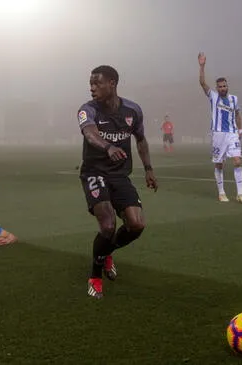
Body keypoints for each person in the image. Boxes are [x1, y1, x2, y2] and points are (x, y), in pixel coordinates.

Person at [77, 65, 158, 299]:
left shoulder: (133, 110)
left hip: (119, 175)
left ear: (112, 83)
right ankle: (95, 275)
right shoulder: (87, 110)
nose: (92, 88)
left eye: (97, 83)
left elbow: (141, 140)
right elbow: (90, 133)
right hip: (94, 173)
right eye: (90, 83)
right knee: (108, 225)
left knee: (136, 225)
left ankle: (106, 252)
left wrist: (149, 169)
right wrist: (108, 146)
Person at [198, 52, 242, 203]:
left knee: (238, 161)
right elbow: (202, 83)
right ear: (217, 88)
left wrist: (240, 130)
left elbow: (238, 115)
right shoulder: (213, 97)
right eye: (220, 86)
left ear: (227, 86)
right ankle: (221, 192)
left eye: (224, 86)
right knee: (219, 164)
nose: (222, 88)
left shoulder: (234, 99)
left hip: (232, 133)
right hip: (218, 134)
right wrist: (202, 66)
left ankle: (240, 194)